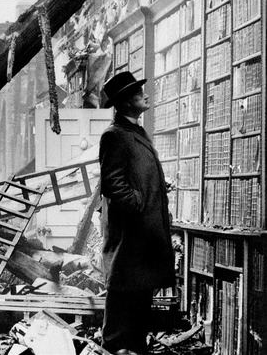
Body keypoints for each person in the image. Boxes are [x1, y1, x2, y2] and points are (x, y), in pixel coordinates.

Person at [98, 71, 175, 355]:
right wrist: (138, 203)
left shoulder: (134, 132)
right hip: (131, 232)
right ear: (125, 102)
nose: (145, 94)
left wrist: (154, 185)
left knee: (139, 297)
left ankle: (133, 348)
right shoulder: (114, 135)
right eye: (136, 92)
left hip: (143, 234)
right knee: (122, 296)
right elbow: (113, 184)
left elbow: (133, 175)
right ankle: (117, 348)